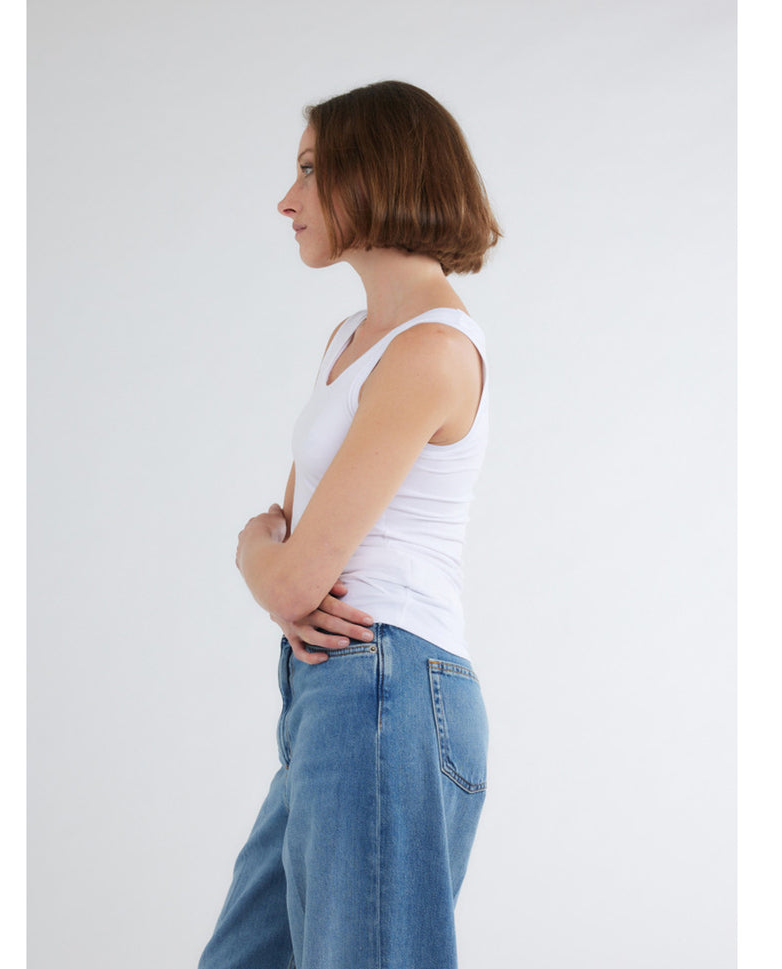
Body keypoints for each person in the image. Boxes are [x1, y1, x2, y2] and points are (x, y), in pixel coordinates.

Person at [198, 79, 502, 969]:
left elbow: (288, 566)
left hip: (387, 682)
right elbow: (285, 529)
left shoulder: (433, 351)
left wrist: (256, 559)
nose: (286, 200)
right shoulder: (351, 338)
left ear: (376, 173)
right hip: (332, 690)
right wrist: (264, 554)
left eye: (309, 171)